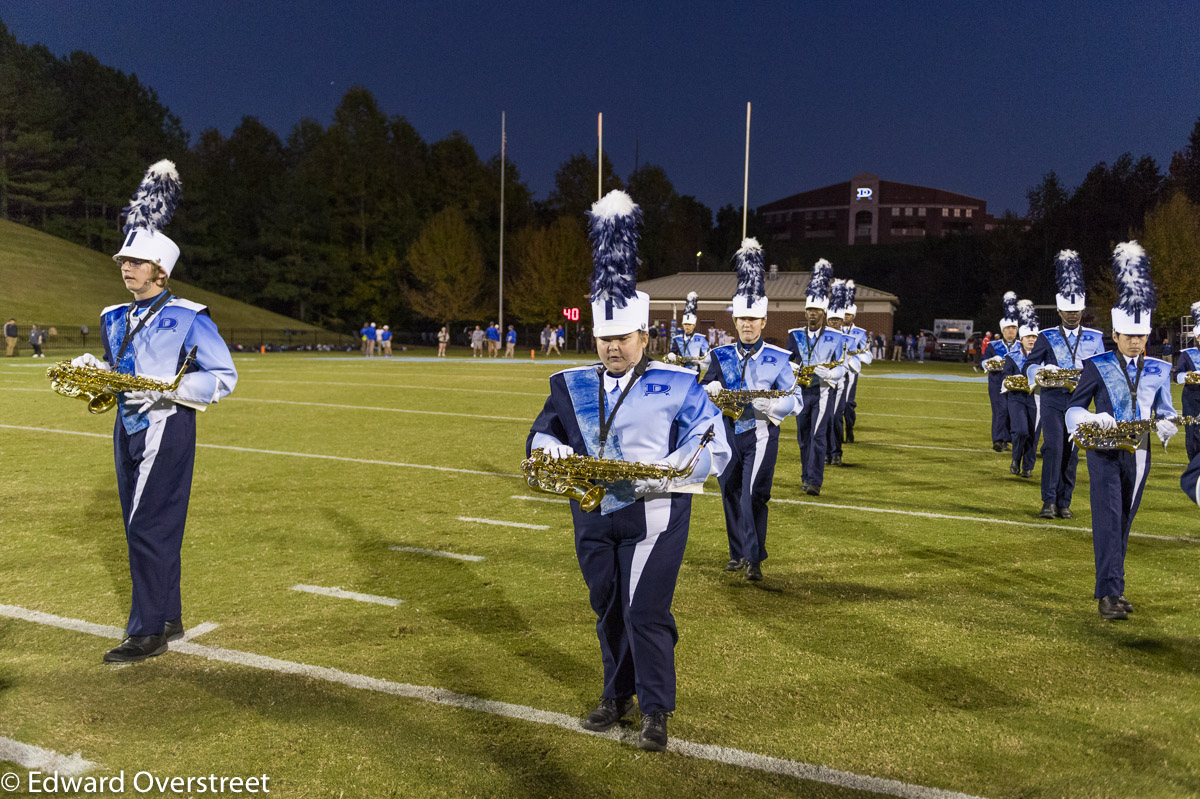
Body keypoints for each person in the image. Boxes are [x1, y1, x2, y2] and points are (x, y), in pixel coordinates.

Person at [527, 190, 730, 753]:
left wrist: (667, 469)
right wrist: (555, 451)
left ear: (644, 336)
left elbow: (713, 440)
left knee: (646, 610)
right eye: (605, 337)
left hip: (656, 514)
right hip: (592, 514)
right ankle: (615, 696)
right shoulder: (568, 384)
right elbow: (541, 433)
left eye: (623, 337)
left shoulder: (680, 383)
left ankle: (655, 709)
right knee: (608, 608)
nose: (613, 346)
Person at [71, 160, 237, 662]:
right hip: (126, 426)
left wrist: (173, 387)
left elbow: (224, 375)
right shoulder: (113, 316)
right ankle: (167, 614)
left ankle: (146, 632)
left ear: (160, 270)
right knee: (141, 522)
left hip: (168, 424)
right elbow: (119, 365)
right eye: (123, 259)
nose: (126, 266)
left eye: (137, 262)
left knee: (148, 524)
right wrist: (92, 370)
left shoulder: (188, 316)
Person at [1065, 242, 1175, 621]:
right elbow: (1073, 408)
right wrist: (1092, 420)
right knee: (1109, 516)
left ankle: (1116, 587)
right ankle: (1108, 595)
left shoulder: (1161, 369)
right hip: (1102, 449)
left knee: (1125, 519)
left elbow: (1167, 410)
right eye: (1128, 336)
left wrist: (1166, 425)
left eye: (1141, 336)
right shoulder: (1095, 365)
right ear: (1114, 333)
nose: (1135, 342)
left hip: (1140, 452)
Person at [703, 239, 798, 581]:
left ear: (763, 321)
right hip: (727, 434)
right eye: (741, 318)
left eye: (752, 319)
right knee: (729, 493)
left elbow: (794, 398)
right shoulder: (720, 354)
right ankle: (737, 553)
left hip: (760, 433)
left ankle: (754, 558)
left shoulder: (778, 358)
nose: (746, 324)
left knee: (752, 495)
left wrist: (771, 403)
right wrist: (710, 389)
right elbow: (706, 389)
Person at [1024, 250, 1106, 519]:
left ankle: (1064, 501)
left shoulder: (1095, 338)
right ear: (1059, 311)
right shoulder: (1046, 337)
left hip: (1080, 402)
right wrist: (1042, 370)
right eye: (1067, 311)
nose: (1072, 314)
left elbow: (1105, 371)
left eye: (1076, 310)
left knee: (1072, 452)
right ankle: (1048, 500)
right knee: (1054, 447)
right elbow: (1030, 366)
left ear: (1083, 309)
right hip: (1052, 400)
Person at [787, 259, 846, 496]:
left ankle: (814, 481)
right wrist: (793, 369)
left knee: (818, 436)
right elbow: (788, 362)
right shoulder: (794, 335)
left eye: (817, 310)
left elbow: (842, 366)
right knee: (803, 438)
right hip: (801, 391)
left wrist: (831, 373)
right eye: (809, 310)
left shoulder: (834, 336)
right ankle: (805, 476)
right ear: (805, 312)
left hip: (822, 391)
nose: (812, 314)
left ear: (824, 312)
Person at [1004, 300, 1041, 478]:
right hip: (1017, 398)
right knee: (1021, 431)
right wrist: (1014, 380)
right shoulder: (1012, 357)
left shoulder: (1044, 357)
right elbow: (1005, 378)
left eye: (1034, 337)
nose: (1032, 340)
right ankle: (1015, 458)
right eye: (1029, 337)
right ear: (1022, 339)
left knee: (1033, 435)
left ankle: (1028, 466)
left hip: (1037, 399)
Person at [823, 280, 859, 467]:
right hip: (823, 384)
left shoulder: (848, 339)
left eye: (837, 320)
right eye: (832, 320)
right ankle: (826, 452)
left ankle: (836, 452)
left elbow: (850, 361)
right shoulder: (821, 338)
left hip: (839, 383)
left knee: (836, 418)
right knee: (824, 420)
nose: (835, 322)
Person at [981, 293, 1020, 452]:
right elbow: (983, 361)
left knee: (1011, 411)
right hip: (997, 383)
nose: (1011, 331)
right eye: (1008, 328)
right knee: (1000, 410)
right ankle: (998, 440)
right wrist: (991, 363)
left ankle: (1007, 440)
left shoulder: (1021, 346)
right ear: (1002, 330)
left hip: (1015, 384)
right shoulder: (993, 346)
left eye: (1013, 328)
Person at [842, 291, 873, 445]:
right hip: (834, 371)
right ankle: (836, 435)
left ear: (853, 316)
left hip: (851, 371)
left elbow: (868, 356)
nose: (845, 316)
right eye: (844, 314)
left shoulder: (860, 333)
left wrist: (854, 355)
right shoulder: (834, 330)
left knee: (847, 403)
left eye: (848, 314)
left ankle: (849, 429)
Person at [1171, 301, 1200, 460]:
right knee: (1193, 431)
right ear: (1198, 338)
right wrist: (1190, 376)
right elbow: (1177, 376)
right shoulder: (1188, 354)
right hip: (1192, 397)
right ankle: (1195, 464)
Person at [667, 291, 709, 373]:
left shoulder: (701, 338)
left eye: (689, 324)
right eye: (685, 324)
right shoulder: (677, 339)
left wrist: (701, 361)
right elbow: (673, 352)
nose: (687, 326)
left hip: (695, 369)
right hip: (681, 369)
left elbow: (707, 355)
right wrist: (671, 355)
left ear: (694, 325)